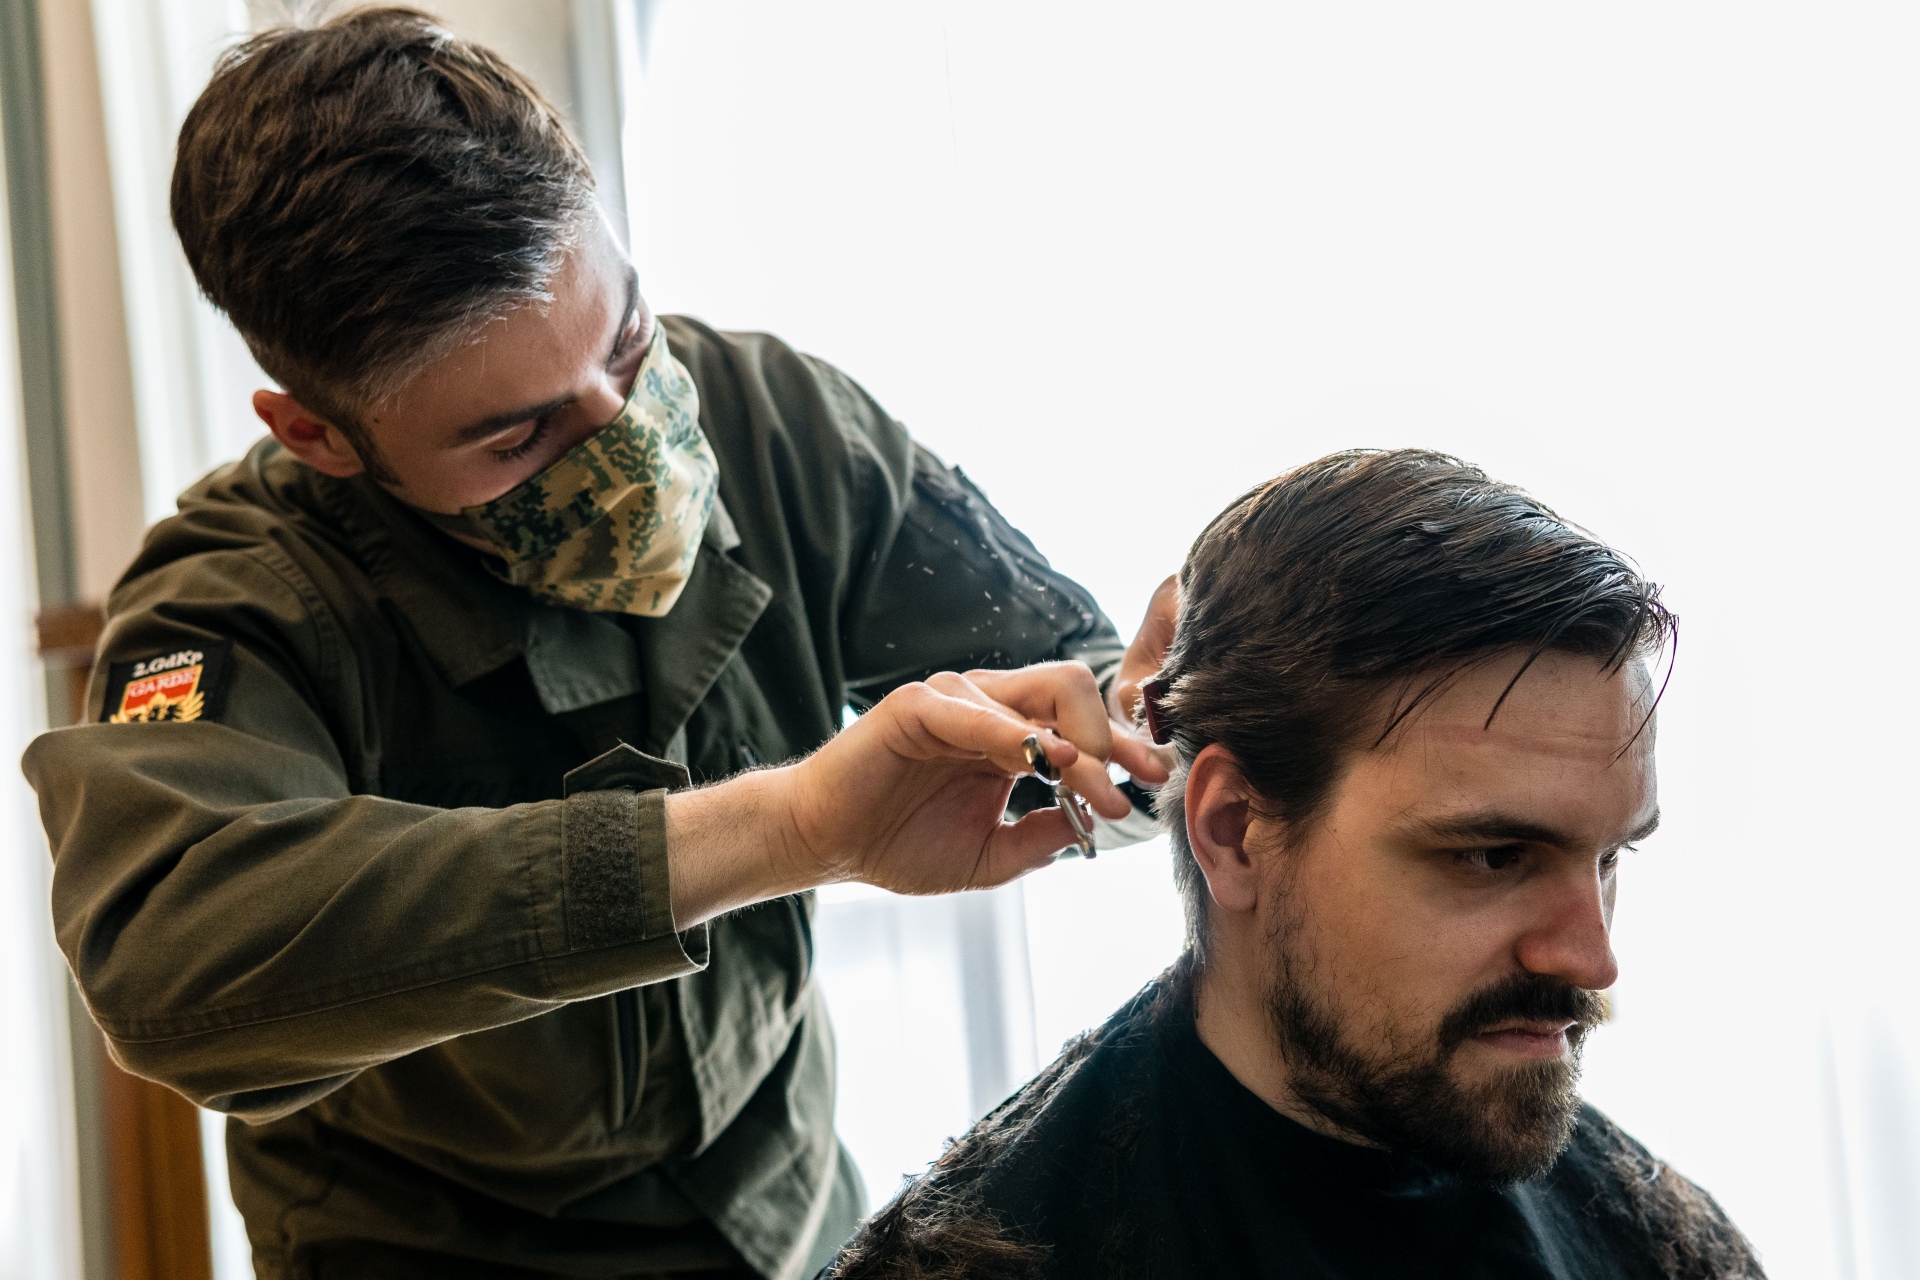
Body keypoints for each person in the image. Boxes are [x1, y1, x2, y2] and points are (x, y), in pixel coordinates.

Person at [20, 9, 1174, 1279]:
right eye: (516, 438)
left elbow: (1080, 684)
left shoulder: (773, 420)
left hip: (793, 1219)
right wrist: (791, 828)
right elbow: (174, 968)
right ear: (318, 435)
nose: (633, 445)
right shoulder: (233, 602)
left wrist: (1143, 743)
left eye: (630, 344)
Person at [825, 449, 1765, 1280]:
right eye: (1492, 855)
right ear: (1235, 830)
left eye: (1610, 857)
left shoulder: (1663, 1244)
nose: (1592, 960)